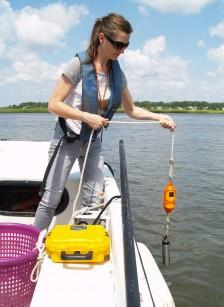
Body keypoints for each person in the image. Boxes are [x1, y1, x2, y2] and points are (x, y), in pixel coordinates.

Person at [34, 12, 176, 230]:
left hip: (93, 143)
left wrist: (159, 117)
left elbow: (132, 110)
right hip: (67, 140)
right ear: (102, 38)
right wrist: (84, 116)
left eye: (125, 46)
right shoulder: (78, 65)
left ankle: (85, 243)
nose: (121, 51)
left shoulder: (118, 74)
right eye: (118, 44)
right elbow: (53, 104)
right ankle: (33, 249)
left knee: (92, 200)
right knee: (51, 200)